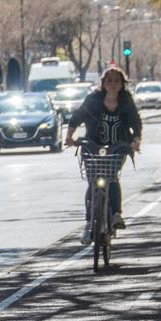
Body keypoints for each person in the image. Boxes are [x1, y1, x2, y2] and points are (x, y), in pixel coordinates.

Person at [64, 66, 142, 245]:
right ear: (103, 83)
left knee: (111, 178)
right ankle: (89, 223)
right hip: (92, 146)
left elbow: (135, 122)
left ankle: (116, 214)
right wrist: (69, 137)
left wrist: (136, 140)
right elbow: (77, 116)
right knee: (93, 182)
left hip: (117, 147)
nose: (113, 84)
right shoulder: (93, 99)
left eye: (116, 81)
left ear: (122, 84)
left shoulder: (126, 101)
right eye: (109, 81)